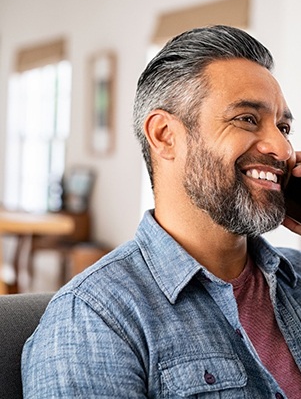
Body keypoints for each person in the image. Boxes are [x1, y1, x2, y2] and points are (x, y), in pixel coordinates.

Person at [22, 25, 301, 398]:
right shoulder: (94, 318)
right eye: (247, 119)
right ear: (165, 135)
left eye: (283, 127)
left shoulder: (295, 276)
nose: (282, 148)